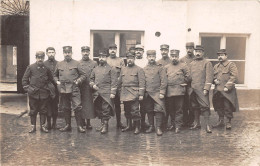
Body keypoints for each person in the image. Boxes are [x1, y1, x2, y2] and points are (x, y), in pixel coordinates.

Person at [54, 46, 86, 133]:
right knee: (65, 107)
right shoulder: (59, 64)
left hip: (74, 88)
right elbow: (55, 75)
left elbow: (83, 75)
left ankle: (80, 126)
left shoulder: (77, 63)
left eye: (69, 52)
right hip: (63, 89)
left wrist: (78, 81)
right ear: (63, 53)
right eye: (65, 52)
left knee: (77, 107)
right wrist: (57, 81)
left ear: (71, 53)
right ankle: (68, 125)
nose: (67, 54)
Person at [22, 51, 54, 133]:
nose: (40, 59)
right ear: (36, 58)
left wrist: (49, 88)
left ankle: (42, 126)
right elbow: (24, 79)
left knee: (43, 110)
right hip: (33, 93)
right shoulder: (31, 67)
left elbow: (51, 79)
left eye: (42, 58)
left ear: (44, 58)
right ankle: (33, 127)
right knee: (33, 110)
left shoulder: (47, 68)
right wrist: (28, 89)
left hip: (44, 93)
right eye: (38, 57)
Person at [90, 50, 117, 134]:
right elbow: (91, 79)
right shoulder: (95, 69)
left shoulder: (111, 69)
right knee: (99, 109)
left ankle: (105, 126)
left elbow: (114, 81)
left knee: (106, 110)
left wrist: (113, 92)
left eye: (103, 57)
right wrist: (93, 85)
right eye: (100, 57)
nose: (101, 59)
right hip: (97, 93)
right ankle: (102, 125)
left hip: (107, 93)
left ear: (106, 58)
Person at [118, 52, 145, 134]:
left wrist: (141, 94)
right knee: (127, 110)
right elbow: (120, 82)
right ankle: (129, 126)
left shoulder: (139, 69)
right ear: (126, 59)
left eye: (131, 58)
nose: (130, 60)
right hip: (125, 93)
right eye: (128, 58)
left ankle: (137, 127)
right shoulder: (123, 69)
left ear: (134, 59)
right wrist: (119, 92)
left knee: (135, 110)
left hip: (134, 93)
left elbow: (142, 83)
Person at [212, 49, 239, 130]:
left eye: (222, 55)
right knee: (218, 106)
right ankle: (221, 121)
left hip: (227, 91)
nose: (220, 57)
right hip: (217, 90)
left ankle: (228, 122)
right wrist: (214, 80)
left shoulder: (231, 65)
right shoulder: (216, 66)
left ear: (226, 56)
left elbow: (234, 76)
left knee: (227, 107)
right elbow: (213, 76)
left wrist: (227, 86)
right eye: (219, 55)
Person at [189, 45, 214, 133]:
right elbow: (189, 76)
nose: (198, 53)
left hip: (202, 89)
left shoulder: (207, 63)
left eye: (200, 52)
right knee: (195, 106)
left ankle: (207, 125)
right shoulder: (192, 63)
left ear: (203, 53)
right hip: (193, 89)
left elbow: (209, 77)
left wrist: (206, 88)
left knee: (205, 106)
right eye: (196, 52)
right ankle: (197, 123)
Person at [165, 49, 190, 133]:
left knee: (179, 109)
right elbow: (164, 78)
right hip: (169, 91)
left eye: (176, 56)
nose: (174, 58)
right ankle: (173, 124)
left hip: (179, 91)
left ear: (178, 57)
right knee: (171, 109)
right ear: (170, 57)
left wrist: (184, 82)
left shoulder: (183, 66)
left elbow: (188, 76)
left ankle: (178, 126)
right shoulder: (166, 67)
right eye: (172, 56)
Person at [143, 50, 167, 136]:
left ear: (155, 57)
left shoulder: (160, 68)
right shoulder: (144, 69)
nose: (151, 58)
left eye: (153, 57)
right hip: (148, 93)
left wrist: (162, 92)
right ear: (147, 57)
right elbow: (142, 82)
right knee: (149, 110)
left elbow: (164, 81)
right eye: (149, 57)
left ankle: (158, 127)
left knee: (158, 109)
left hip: (157, 93)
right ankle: (151, 126)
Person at [107, 44, 125, 129]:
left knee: (118, 105)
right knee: (106, 106)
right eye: (111, 49)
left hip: (117, 86)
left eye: (114, 49)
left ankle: (119, 122)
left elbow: (123, 73)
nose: (112, 50)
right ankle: (104, 124)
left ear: (116, 50)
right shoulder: (106, 60)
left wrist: (118, 82)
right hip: (108, 86)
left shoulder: (120, 61)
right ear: (108, 50)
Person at [79, 46, 97, 130]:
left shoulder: (94, 63)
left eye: (87, 51)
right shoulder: (78, 63)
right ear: (81, 52)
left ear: (89, 52)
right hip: (80, 87)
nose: (85, 53)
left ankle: (88, 123)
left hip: (89, 87)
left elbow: (96, 75)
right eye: (84, 51)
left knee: (89, 105)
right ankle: (82, 122)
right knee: (81, 104)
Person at [180, 42, 195, 127]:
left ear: (193, 49)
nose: (189, 50)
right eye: (187, 48)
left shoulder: (196, 59)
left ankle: (192, 120)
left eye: (191, 48)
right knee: (183, 104)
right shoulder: (182, 60)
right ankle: (185, 121)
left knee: (192, 103)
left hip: (193, 85)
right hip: (184, 84)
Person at [134, 44, 149, 131]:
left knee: (143, 107)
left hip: (143, 87)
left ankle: (143, 122)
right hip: (134, 87)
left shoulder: (146, 62)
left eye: (140, 50)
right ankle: (135, 124)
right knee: (134, 107)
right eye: (137, 50)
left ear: (143, 52)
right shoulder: (132, 60)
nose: (138, 52)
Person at [44, 47, 59, 130]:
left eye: (52, 52)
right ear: (46, 53)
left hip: (56, 88)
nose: (51, 54)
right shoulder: (44, 64)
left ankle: (54, 123)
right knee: (47, 106)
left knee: (55, 106)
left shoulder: (58, 63)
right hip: (46, 88)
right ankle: (48, 122)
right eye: (49, 52)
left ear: (55, 53)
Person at [157, 44, 171, 130]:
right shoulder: (158, 62)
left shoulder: (171, 61)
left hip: (170, 88)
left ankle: (167, 123)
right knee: (161, 106)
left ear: (168, 51)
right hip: (160, 88)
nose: (164, 52)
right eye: (162, 50)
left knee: (169, 106)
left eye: (165, 50)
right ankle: (161, 124)